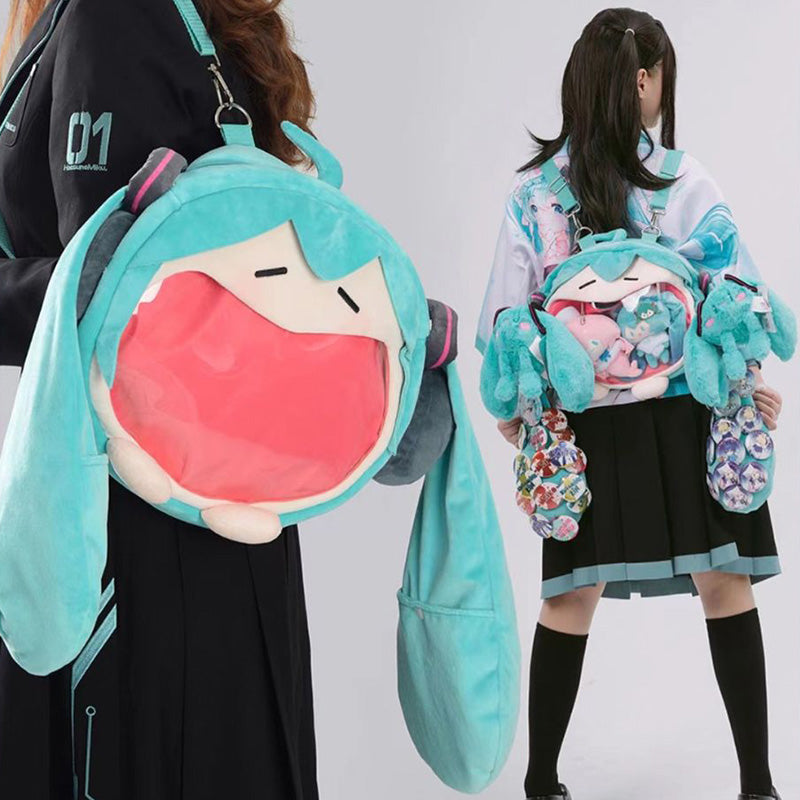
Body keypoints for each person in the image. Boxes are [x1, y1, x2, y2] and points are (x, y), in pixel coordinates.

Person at [0, 0, 319, 797]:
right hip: (231, 497)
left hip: (122, 515)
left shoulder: (107, 17)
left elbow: (110, 300)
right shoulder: (187, 24)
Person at [476, 9, 784, 800]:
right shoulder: (680, 178)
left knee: (570, 596)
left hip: (585, 419)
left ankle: (540, 782)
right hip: (687, 408)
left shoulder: (535, 194)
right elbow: (733, 288)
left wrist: (521, 412)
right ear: (645, 79)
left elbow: (509, 314)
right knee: (725, 583)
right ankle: (758, 785)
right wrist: (746, 383)